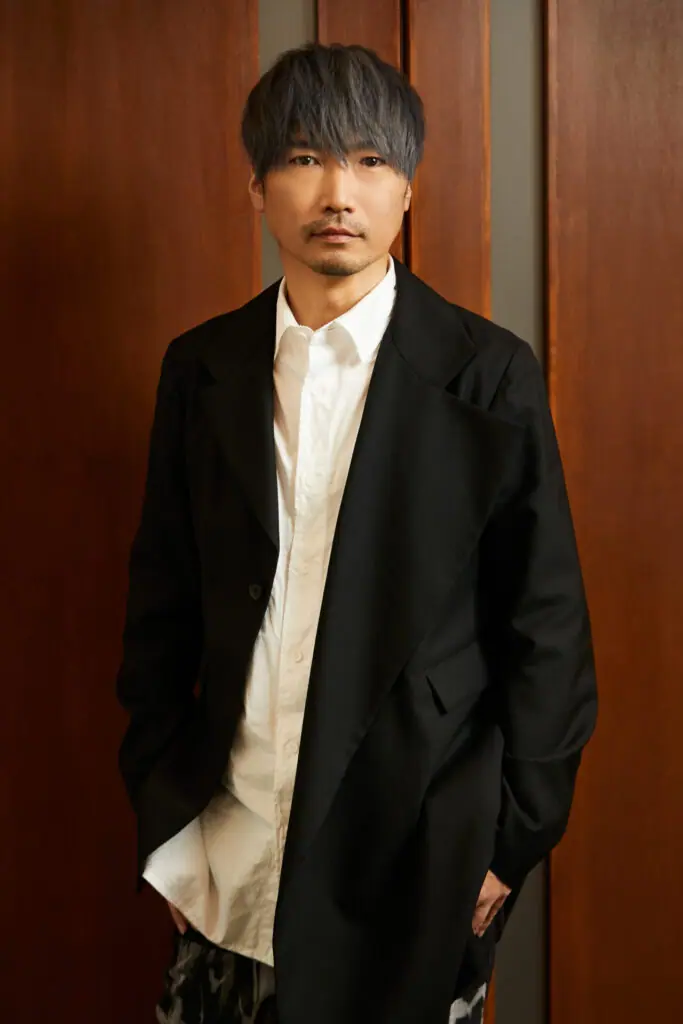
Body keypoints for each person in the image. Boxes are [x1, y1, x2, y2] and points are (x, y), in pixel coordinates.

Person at [116, 42, 597, 1024]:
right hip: (226, 860)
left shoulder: (487, 375)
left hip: (414, 865)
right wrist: (167, 826)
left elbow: (546, 631)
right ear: (258, 186)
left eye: (370, 161)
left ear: (406, 189)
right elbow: (160, 608)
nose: (338, 191)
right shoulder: (202, 369)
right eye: (304, 157)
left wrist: (507, 844)